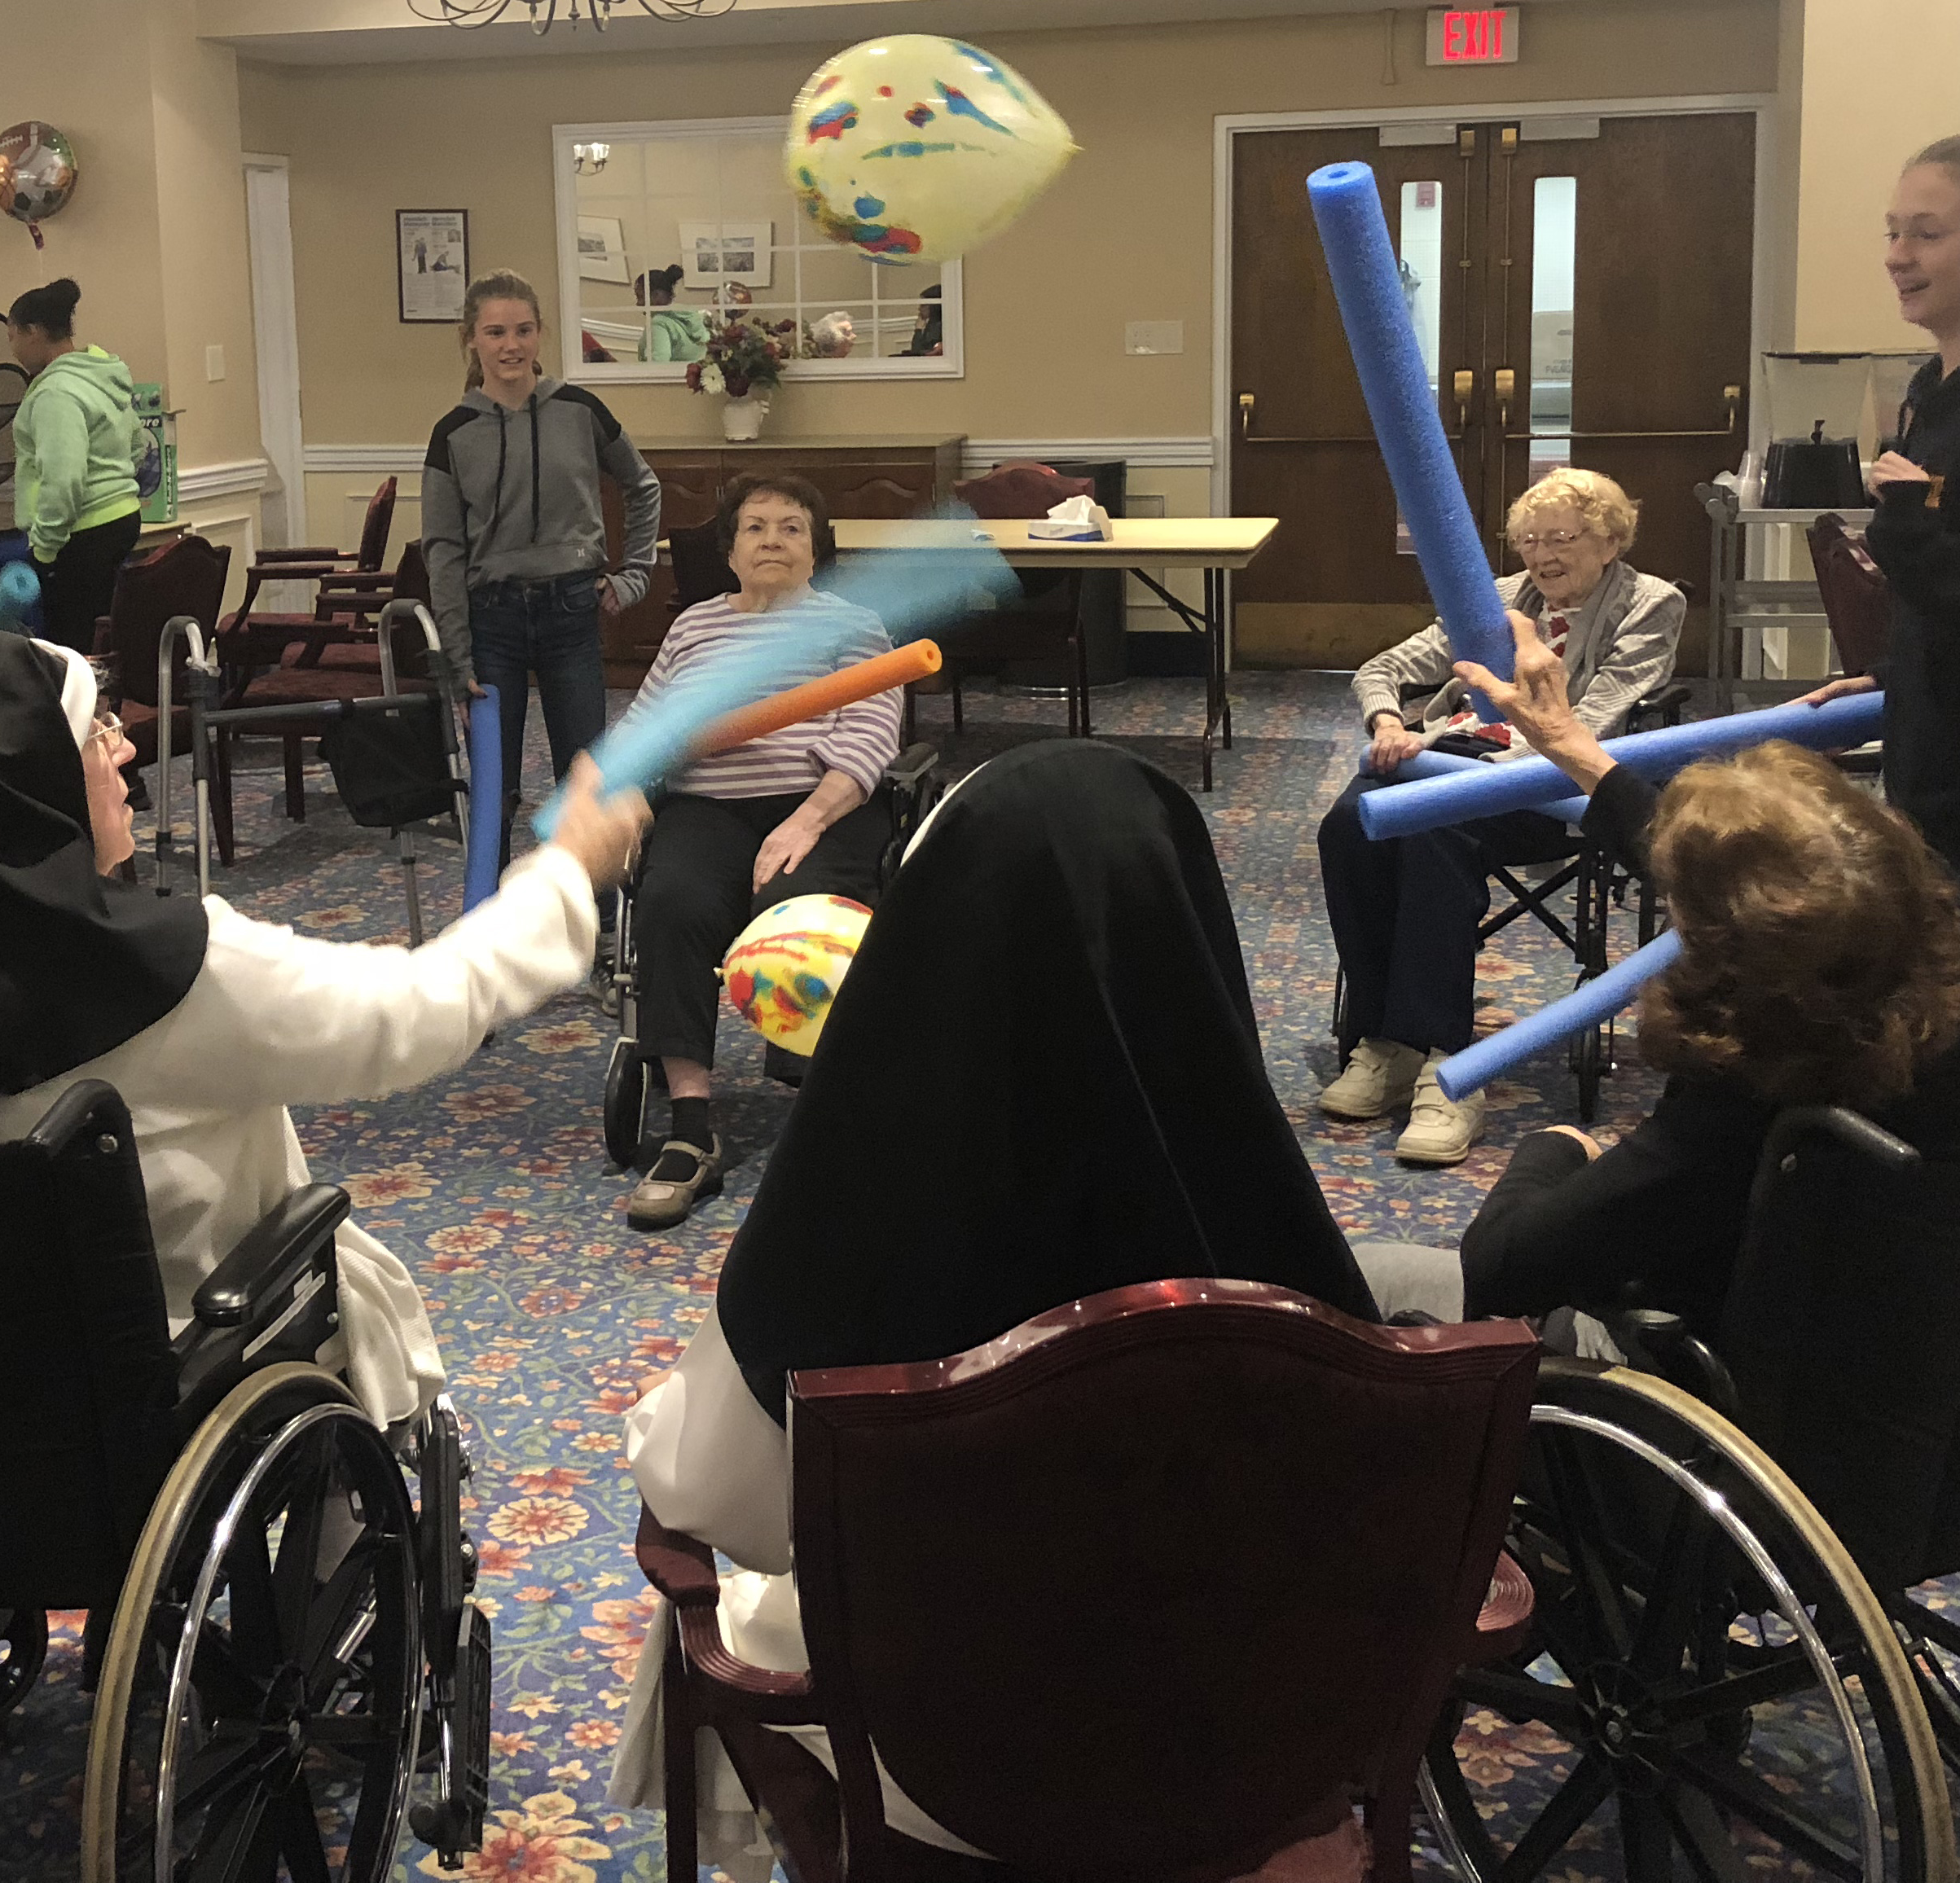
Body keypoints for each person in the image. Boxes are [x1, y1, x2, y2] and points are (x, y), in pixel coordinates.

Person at [611, 740, 1379, 1876]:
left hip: (943, 1770)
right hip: (1251, 1755)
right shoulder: (1263, 1216)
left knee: (728, 1602)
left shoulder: (847, 1214)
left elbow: (708, 1494)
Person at [0, 627, 647, 1422]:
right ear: (30, 779)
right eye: (97, 731)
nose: (125, 752)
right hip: (136, 1398)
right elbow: (419, 1007)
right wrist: (565, 873)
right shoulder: (168, 971)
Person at [1351, 612, 1960, 1340]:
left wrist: (1555, 1149)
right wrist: (1576, 750)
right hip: (1893, 1404)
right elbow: (1744, 893)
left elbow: (1500, 1265)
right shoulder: (1905, 995)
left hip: (1699, 1405)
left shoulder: (1740, 1104)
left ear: (1716, 943)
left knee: (1360, 1278)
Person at [1317, 467, 1685, 1165]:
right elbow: (1380, 668)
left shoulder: (1649, 603)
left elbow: (1595, 720)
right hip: (1448, 755)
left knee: (1433, 827)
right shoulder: (1494, 597)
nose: (1543, 556)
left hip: (1555, 784)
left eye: (1563, 539)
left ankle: (1449, 1065)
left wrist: (1483, 759)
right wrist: (1391, 721)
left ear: (1610, 542)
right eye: (1530, 542)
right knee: (1348, 825)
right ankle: (1386, 1041)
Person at [613, 473, 902, 1231]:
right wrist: (632, 797)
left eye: (792, 528)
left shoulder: (852, 627)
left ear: (816, 551)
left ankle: (819, 1101)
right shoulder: (694, 630)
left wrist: (808, 819)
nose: (773, 540)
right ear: (730, 552)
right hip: (707, 807)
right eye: (755, 528)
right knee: (671, 903)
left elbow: (871, 733)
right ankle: (690, 1126)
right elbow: (649, 729)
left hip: (822, 807)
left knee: (796, 916)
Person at [422, 270, 661, 858]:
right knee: (494, 784)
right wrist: (456, 651)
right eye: (496, 332)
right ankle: (488, 913)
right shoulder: (453, 434)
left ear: (540, 335)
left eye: (524, 330)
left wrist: (634, 575)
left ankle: (594, 913)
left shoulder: (578, 409)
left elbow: (644, 485)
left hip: (572, 612)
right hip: (491, 623)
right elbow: (443, 550)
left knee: (584, 776)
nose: (512, 345)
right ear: (471, 340)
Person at [1796, 134, 1960, 870]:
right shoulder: (1928, 393)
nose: (1897, 256)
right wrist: (1896, 674)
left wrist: (1904, 529)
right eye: (1893, 233)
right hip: (1930, 779)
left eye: (1927, 234)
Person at [5, 278, 148, 653]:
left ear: (33, 332)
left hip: (79, 535)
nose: (13, 349)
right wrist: (111, 481)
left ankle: (84, 714)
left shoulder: (56, 392)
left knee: (73, 650)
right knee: (105, 637)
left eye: (13, 336)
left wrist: (45, 549)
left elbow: (64, 479)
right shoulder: (101, 377)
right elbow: (137, 445)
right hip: (121, 519)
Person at [634, 265, 708, 363]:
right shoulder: (693, 315)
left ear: (656, 295)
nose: (638, 303)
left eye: (640, 297)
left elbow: (658, 365)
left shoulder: (659, 323)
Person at [901, 285, 943, 358]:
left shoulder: (938, 327)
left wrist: (918, 330)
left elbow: (917, 351)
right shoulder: (931, 324)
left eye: (923, 305)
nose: (919, 309)